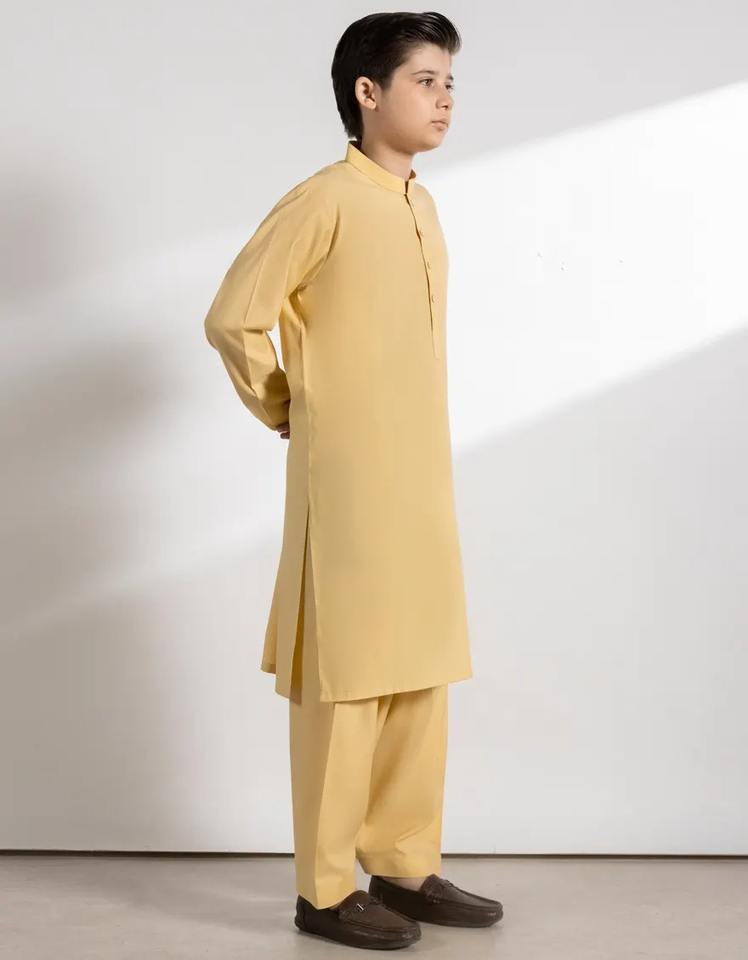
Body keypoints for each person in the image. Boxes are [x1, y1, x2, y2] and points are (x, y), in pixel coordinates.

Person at [203, 11, 503, 950]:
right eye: (425, 81)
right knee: (347, 677)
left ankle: (404, 866)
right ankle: (326, 889)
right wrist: (287, 405)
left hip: (423, 476)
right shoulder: (324, 200)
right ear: (368, 93)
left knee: (421, 665)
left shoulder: (421, 205)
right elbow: (232, 317)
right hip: (348, 482)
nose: (445, 99)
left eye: (450, 82)